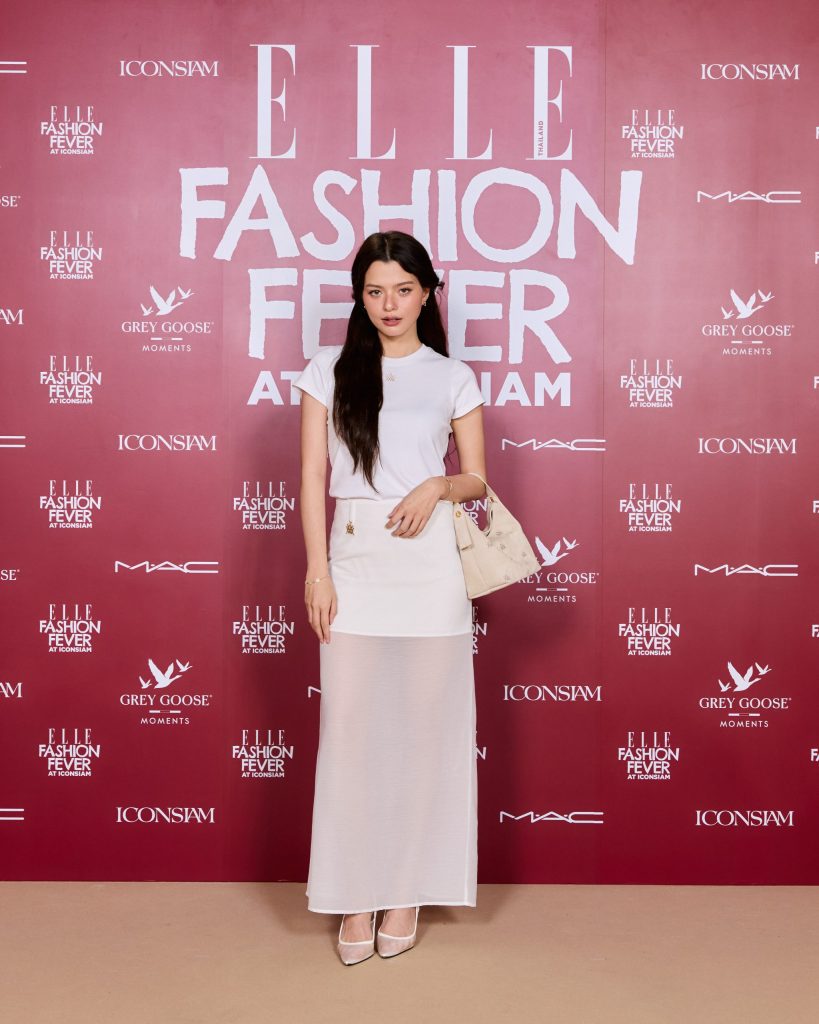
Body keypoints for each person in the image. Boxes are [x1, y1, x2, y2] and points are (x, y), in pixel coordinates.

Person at [293, 230, 487, 965]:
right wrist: (318, 571)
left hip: (431, 572)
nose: (389, 304)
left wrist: (437, 483)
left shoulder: (452, 376)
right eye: (375, 291)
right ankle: (354, 893)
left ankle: (404, 890)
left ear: (427, 293)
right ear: (359, 297)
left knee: (424, 735)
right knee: (350, 734)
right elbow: (312, 476)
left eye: (403, 290)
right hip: (355, 568)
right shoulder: (327, 371)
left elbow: (477, 479)